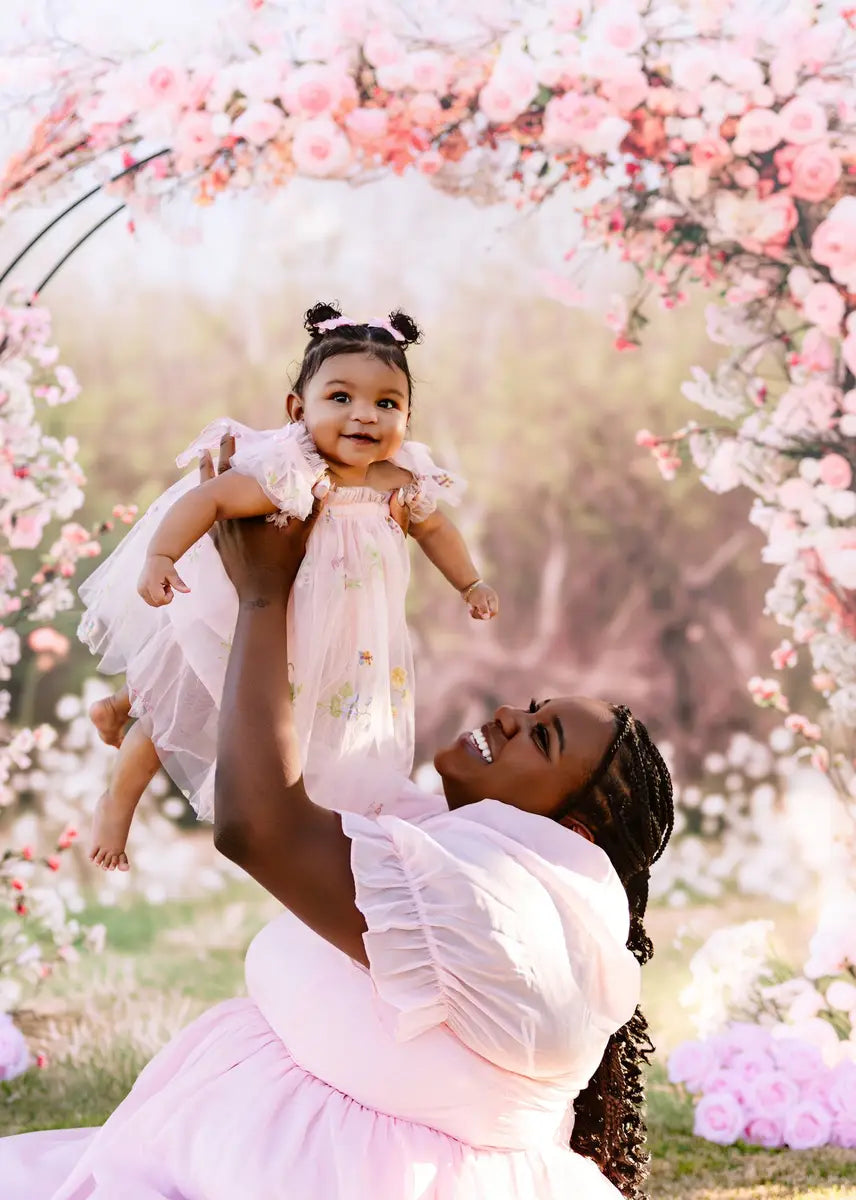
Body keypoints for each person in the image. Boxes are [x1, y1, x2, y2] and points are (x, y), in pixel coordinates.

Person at [0, 446, 674, 1200]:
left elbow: (260, 827)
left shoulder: (500, 905)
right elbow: (295, 756)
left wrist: (265, 593)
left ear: (575, 830)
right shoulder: (462, 848)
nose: (510, 716)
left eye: (541, 737)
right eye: (535, 707)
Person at [77, 302, 499, 870]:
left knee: (310, 730)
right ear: (298, 409)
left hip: (340, 640)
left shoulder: (402, 481)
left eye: (387, 403)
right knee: (178, 709)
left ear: (407, 417)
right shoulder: (293, 475)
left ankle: (118, 703)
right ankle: (117, 804)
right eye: (341, 398)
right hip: (266, 623)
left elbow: (436, 529)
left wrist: (469, 583)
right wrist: (162, 555)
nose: (365, 416)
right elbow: (211, 498)